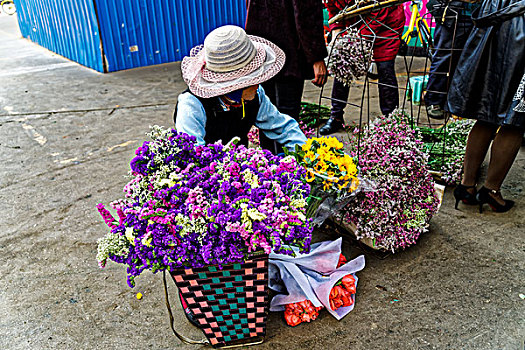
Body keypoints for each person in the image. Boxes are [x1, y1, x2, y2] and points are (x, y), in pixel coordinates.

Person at [175, 25, 307, 153]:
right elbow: (192, 155)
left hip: (239, 165)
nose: (259, 84)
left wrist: (310, 155)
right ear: (233, 87)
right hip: (207, 171)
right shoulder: (191, 105)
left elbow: (283, 128)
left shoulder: (256, 94)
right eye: (252, 81)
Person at [448, 0, 525, 213]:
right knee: (515, 121)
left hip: (494, 21)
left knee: (487, 113)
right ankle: (491, 191)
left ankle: (467, 185)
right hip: (519, 26)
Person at [245, 0, 328, 151]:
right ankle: (286, 169)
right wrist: (316, 57)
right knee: (285, 117)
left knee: (266, 115)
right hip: (288, 51)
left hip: (262, 50)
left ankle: (270, 167)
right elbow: (306, 14)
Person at [319, 0, 405, 135]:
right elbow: (333, 10)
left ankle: (391, 121)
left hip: (386, 24)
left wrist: (356, 40)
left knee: (385, 68)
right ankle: (335, 116)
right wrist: (337, 31)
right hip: (354, 22)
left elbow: (379, 10)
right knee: (342, 63)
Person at [424, 0, 479, 119]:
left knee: (470, 60)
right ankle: (434, 100)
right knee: (444, 58)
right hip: (451, 12)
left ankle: (457, 102)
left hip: (478, 14)